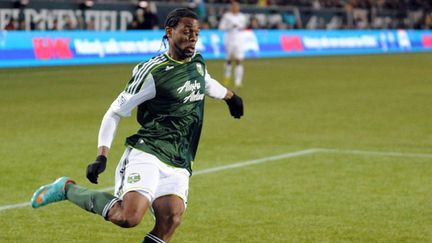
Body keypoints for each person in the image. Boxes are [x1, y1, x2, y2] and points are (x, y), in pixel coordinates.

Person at [30, 8, 243, 243]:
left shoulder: (197, 64)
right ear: (170, 32)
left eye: (196, 32)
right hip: (149, 151)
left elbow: (206, 82)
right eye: (187, 31)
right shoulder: (152, 72)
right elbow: (114, 113)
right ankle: (66, 189)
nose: (193, 37)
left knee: (170, 219)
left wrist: (231, 97)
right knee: (128, 217)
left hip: (181, 157)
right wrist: (102, 155)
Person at [218, 1, 247, 89]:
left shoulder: (242, 16)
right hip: (229, 39)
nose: (235, 8)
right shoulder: (227, 16)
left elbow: (244, 26)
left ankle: (238, 82)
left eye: (236, 6)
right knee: (229, 60)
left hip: (239, 40)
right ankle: (227, 76)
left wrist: (239, 26)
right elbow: (221, 27)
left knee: (239, 60)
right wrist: (230, 27)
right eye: (233, 6)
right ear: (231, 7)